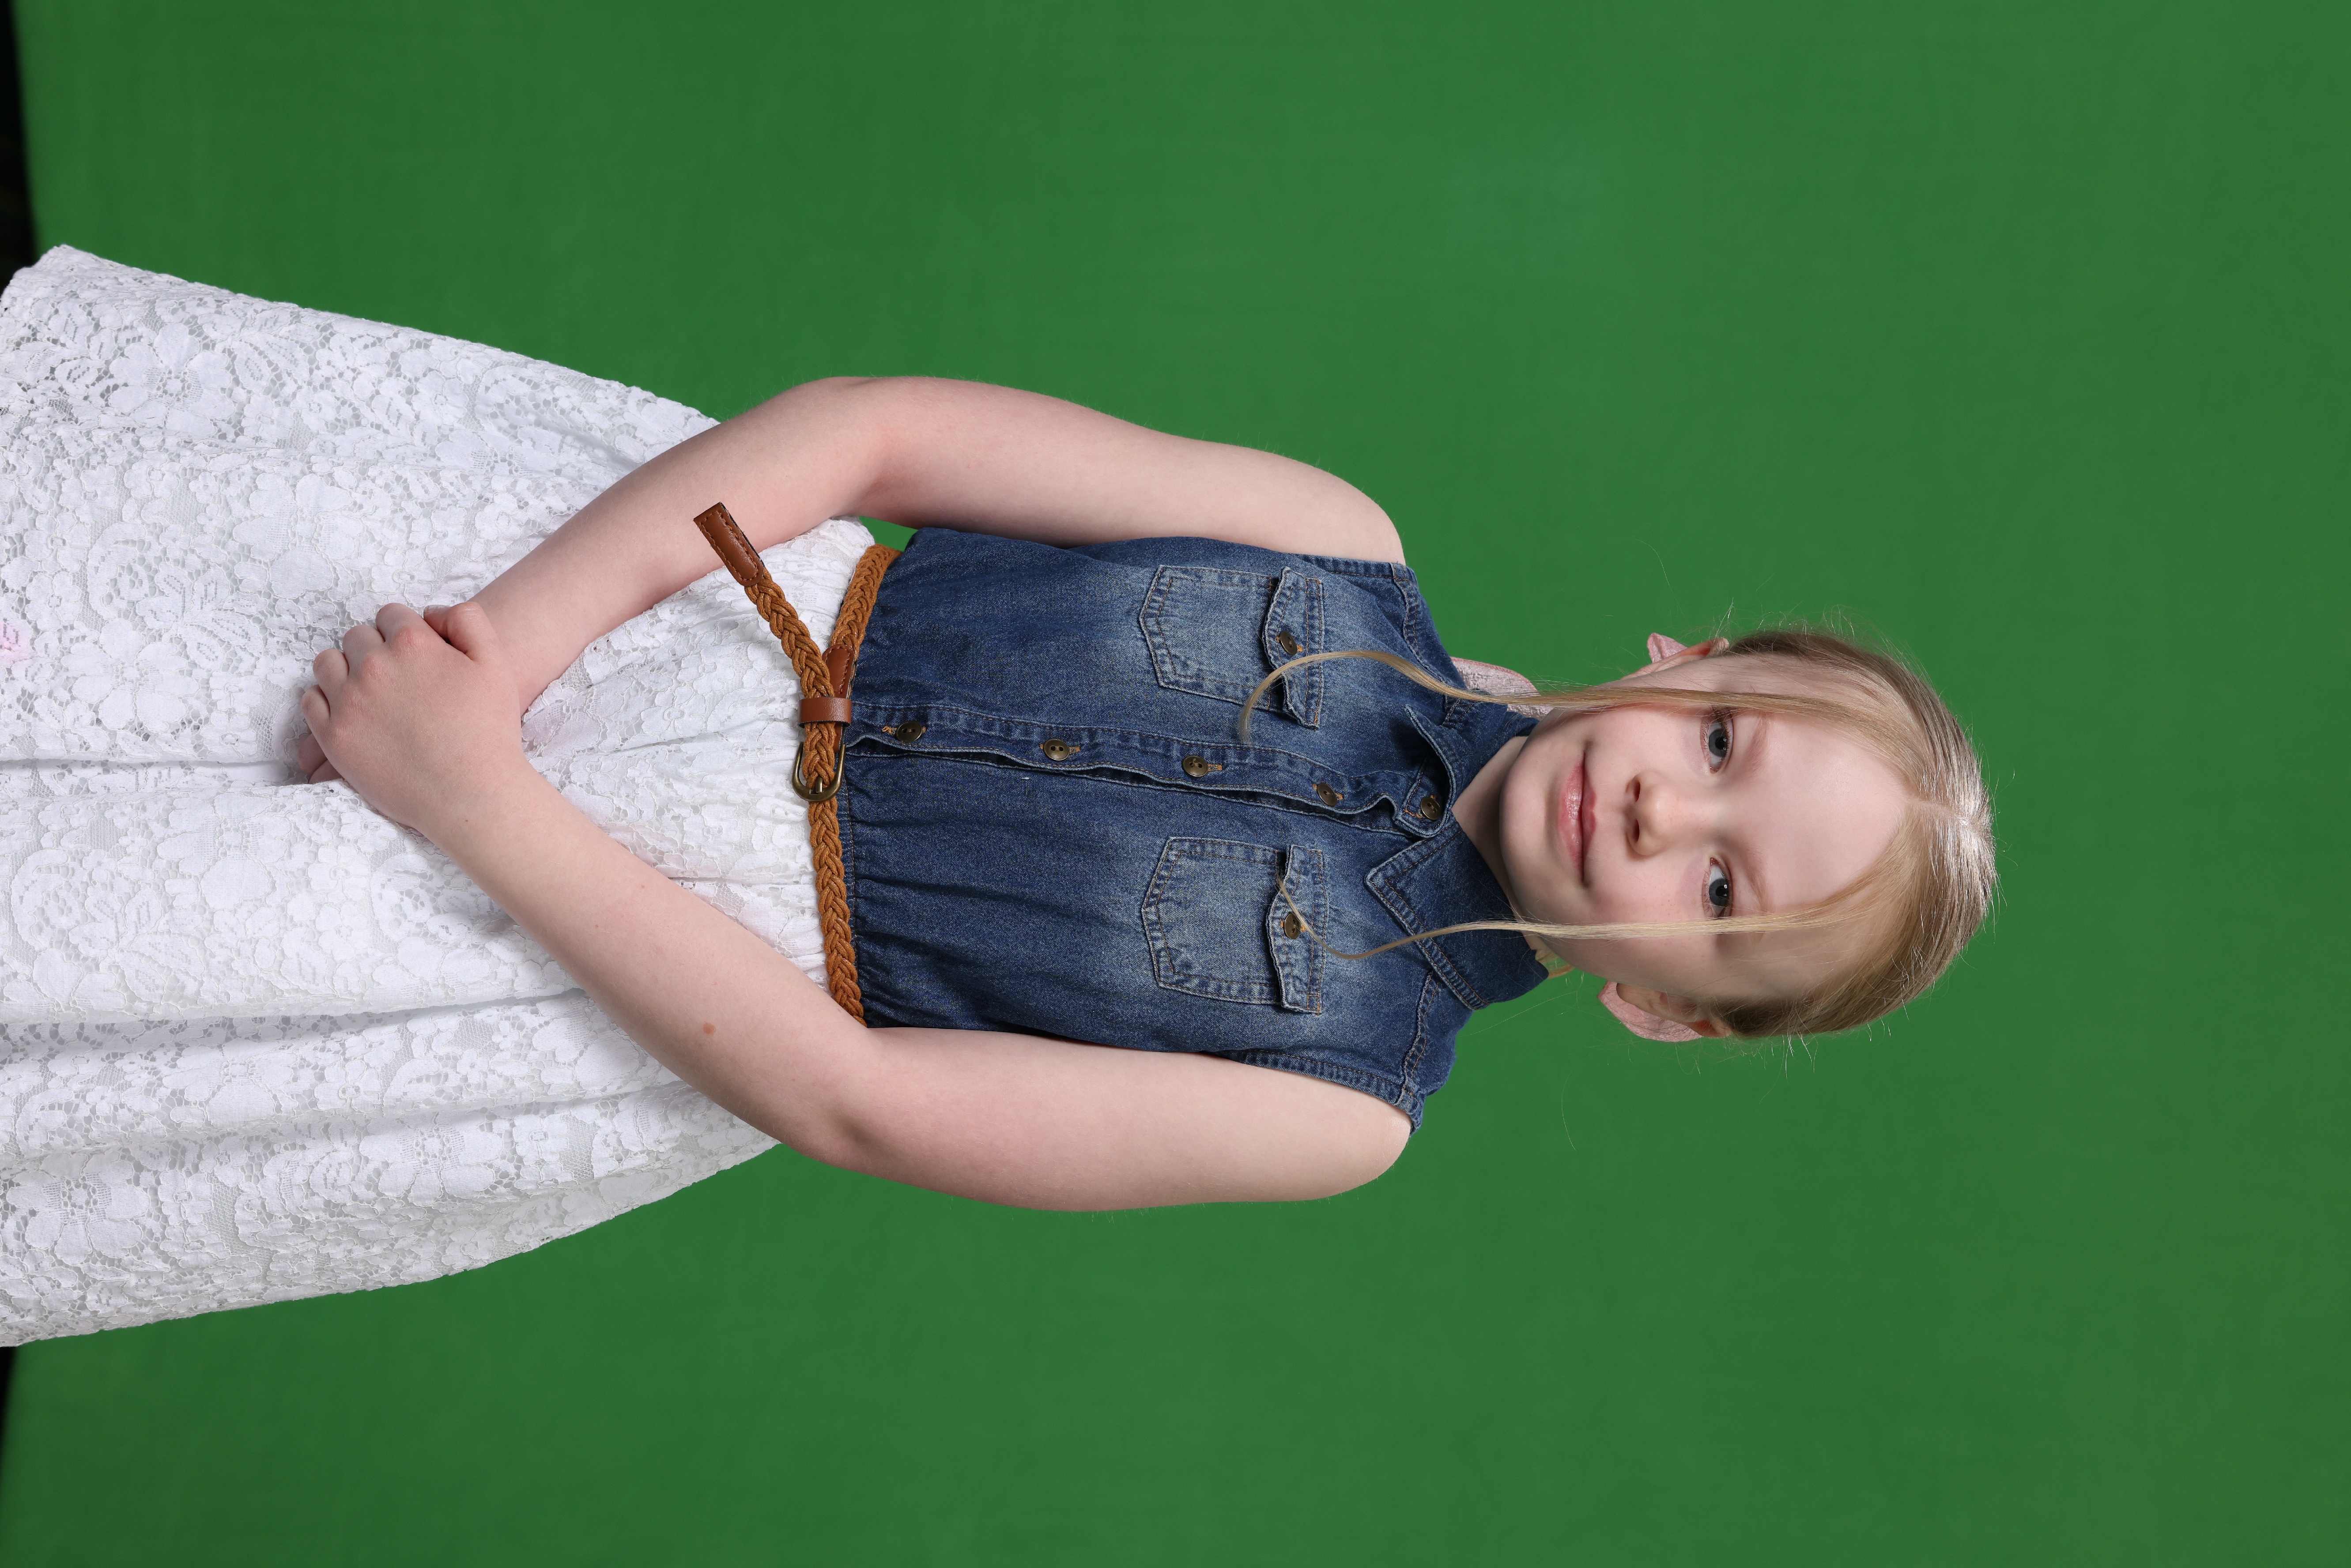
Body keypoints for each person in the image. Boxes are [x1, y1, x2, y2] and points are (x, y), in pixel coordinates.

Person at [0, 249, 1993, 1343]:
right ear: (1682, 665)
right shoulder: (1331, 539)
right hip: (613, 602)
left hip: (566, 935)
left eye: (1722, 898)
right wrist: (500, 659)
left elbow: (853, 1099)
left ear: (1661, 1008)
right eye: (1719, 752)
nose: (1661, 822)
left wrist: (479, 809)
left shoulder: (1338, 1110)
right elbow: (877, 433)